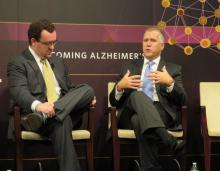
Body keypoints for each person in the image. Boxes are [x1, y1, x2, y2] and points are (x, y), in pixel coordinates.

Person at [7, 19, 96, 171]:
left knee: (87, 90)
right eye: (48, 43)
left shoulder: (58, 61)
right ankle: (47, 116)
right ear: (33, 41)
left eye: (54, 42)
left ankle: (52, 114)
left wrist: (83, 99)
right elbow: (19, 92)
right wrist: (39, 106)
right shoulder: (18, 62)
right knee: (62, 121)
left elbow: (69, 90)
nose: (52, 47)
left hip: (54, 114)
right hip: (34, 117)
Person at [109, 27, 186, 171]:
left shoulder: (173, 69)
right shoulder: (129, 67)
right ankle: (168, 140)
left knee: (139, 121)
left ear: (162, 46)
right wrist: (120, 86)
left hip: (160, 114)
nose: (148, 44)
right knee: (137, 95)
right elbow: (113, 101)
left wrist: (170, 83)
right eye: (145, 40)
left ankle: (151, 168)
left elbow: (182, 100)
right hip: (130, 112)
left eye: (152, 40)